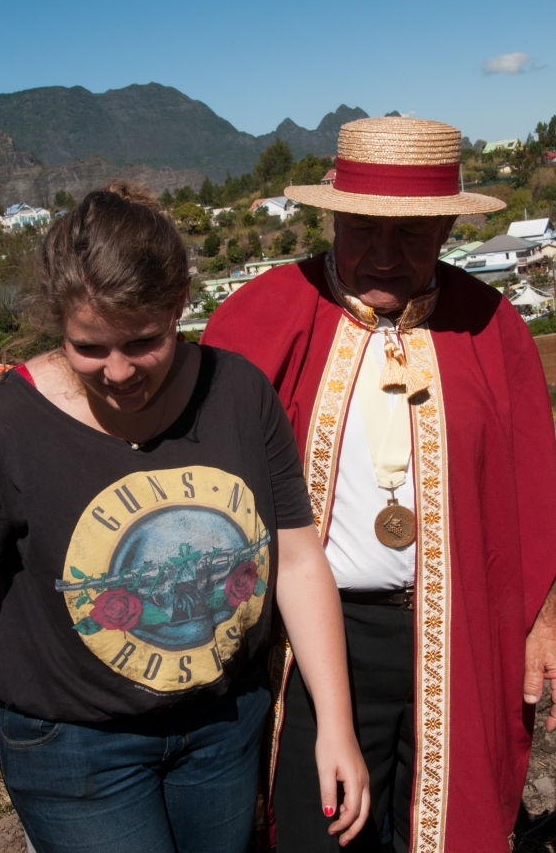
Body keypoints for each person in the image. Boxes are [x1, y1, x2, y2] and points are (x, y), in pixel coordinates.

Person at [202, 117, 556, 853]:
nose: (386, 255)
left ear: (449, 226)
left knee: (447, 826)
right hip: (309, 643)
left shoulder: (492, 326)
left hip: (460, 630)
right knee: (318, 831)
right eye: (364, 229)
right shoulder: (263, 315)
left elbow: (533, 484)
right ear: (332, 217)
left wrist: (542, 616)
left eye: (414, 234)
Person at [0, 183, 368, 853]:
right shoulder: (7, 423)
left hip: (223, 727)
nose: (118, 372)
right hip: (74, 746)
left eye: (143, 341)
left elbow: (297, 561)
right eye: (88, 347)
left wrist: (336, 725)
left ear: (179, 305)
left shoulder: (238, 392)